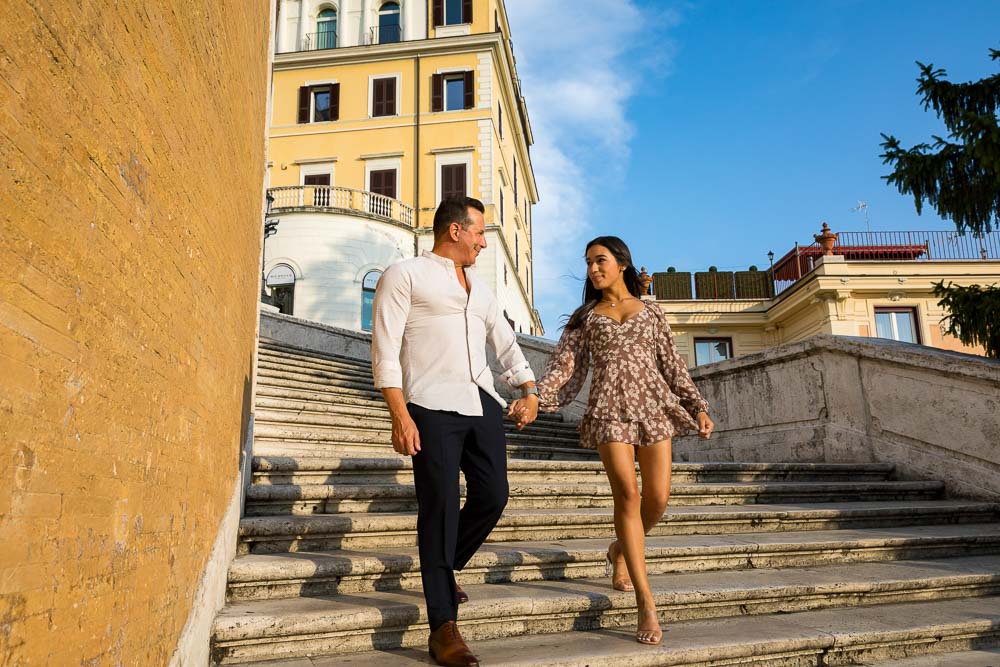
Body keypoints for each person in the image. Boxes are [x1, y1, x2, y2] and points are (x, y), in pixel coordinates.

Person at [371, 196, 539, 667]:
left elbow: (504, 343)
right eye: (480, 233)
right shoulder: (404, 275)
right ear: (455, 231)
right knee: (440, 505)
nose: (485, 242)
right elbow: (384, 348)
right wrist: (399, 415)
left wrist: (529, 388)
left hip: (481, 400)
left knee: (494, 496)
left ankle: (443, 570)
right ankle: (443, 627)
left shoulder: (481, 291)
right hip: (428, 403)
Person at [528, 236, 714, 646]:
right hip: (609, 409)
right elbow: (564, 369)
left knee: (659, 497)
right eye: (589, 263)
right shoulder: (586, 319)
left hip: (654, 406)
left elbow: (672, 363)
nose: (593, 269)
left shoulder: (651, 311)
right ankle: (646, 602)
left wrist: (697, 405)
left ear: (622, 264)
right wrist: (536, 397)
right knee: (628, 495)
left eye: (600, 261)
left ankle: (618, 550)